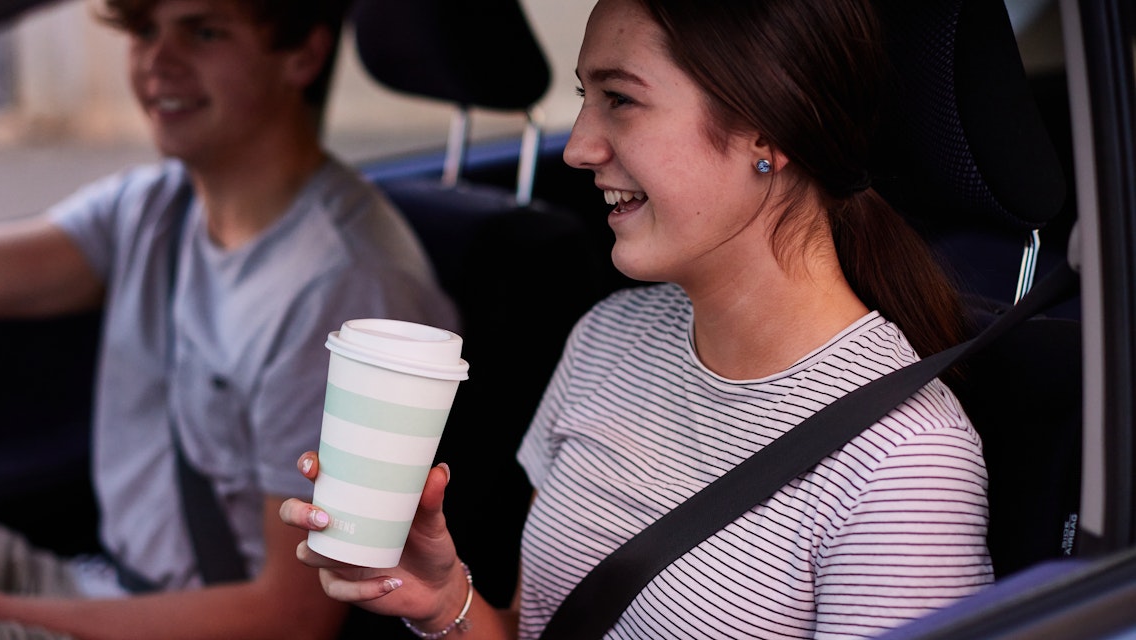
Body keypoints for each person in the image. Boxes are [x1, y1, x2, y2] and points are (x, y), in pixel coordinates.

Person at [279, 0, 994, 637]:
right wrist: (447, 604)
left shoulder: (904, 463)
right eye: (586, 98)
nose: (578, 146)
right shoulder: (608, 338)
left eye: (620, 99)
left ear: (769, 132)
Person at [0, 0, 456, 638]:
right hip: (95, 584)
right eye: (144, 30)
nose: (158, 60)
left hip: (181, 624)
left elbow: (291, 617)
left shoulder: (344, 291)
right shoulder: (157, 205)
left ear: (302, 56)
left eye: (203, 31)